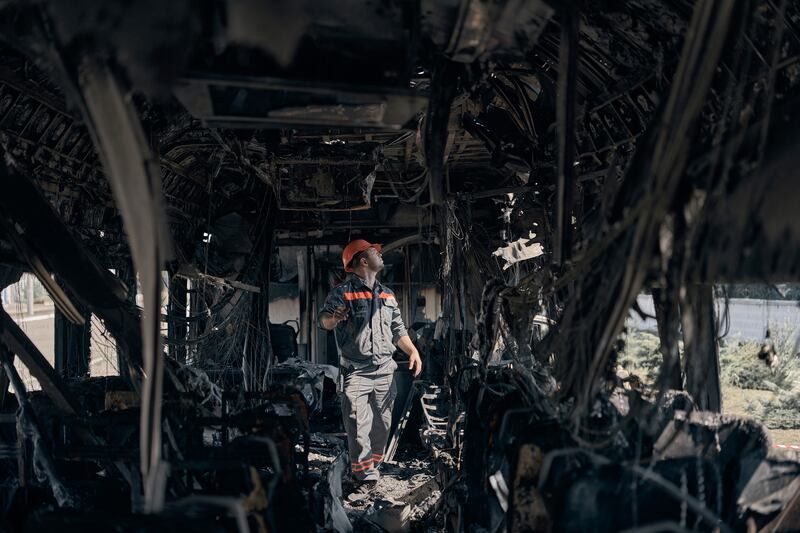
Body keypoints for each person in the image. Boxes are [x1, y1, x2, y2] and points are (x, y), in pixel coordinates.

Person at [319, 239, 422, 499]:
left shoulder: (387, 294)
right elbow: (324, 322)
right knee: (356, 424)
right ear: (363, 261)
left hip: (386, 370)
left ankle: (368, 466)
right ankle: (364, 477)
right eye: (374, 251)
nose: (380, 253)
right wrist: (335, 317)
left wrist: (413, 351)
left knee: (382, 425)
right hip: (356, 371)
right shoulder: (342, 293)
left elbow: (398, 329)